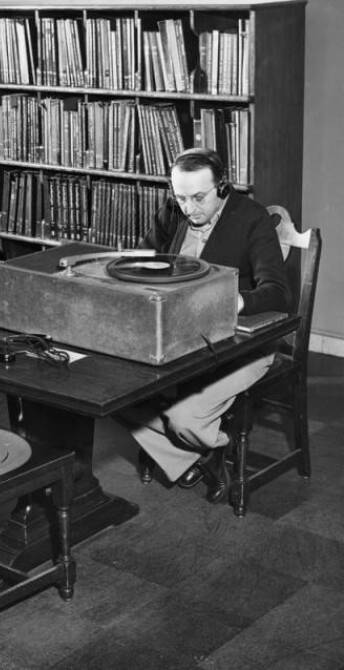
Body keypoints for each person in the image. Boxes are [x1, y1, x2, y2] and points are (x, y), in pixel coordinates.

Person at [120, 147, 290, 503]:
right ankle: (201, 458)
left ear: (223, 187)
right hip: (178, 339)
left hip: (240, 345)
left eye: (198, 197)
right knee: (109, 395)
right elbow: (140, 260)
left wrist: (232, 299)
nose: (188, 208)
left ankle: (195, 450)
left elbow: (277, 293)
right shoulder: (173, 210)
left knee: (184, 421)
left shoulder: (252, 219)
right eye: (180, 197)